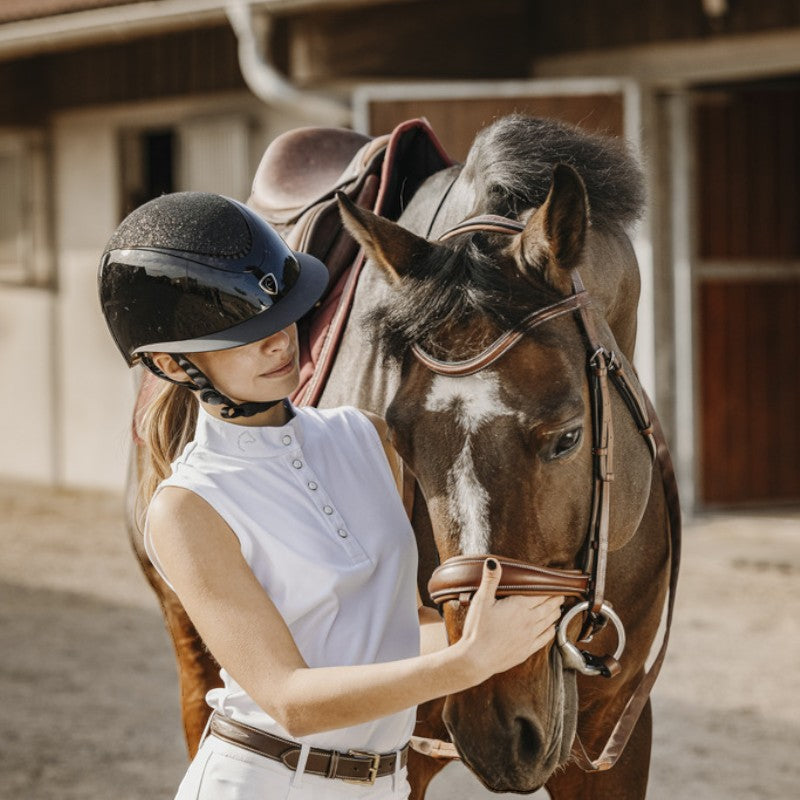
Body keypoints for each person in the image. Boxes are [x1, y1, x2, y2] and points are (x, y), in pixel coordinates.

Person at [98, 191, 562, 800]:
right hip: (266, 782)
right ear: (171, 362)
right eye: (247, 333)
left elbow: (388, 628)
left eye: (282, 315)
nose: (279, 340)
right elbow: (289, 699)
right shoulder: (187, 506)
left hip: (385, 785)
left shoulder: (367, 437)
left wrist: (508, 628)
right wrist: (465, 663)